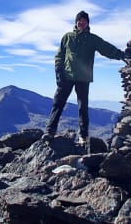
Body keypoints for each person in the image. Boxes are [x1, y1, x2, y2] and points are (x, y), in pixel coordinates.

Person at [43, 10, 125, 145]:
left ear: (87, 23)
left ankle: (83, 135)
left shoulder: (92, 39)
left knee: (83, 107)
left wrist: (121, 55)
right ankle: (49, 132)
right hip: (66, 77)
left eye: (84, 21)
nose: (81, 22)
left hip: (83, 78)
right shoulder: (67, 37)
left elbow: (106, 48)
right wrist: (58, 72)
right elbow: (59, 55)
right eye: (79, 20)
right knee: (58, 103)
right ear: (76, 22)